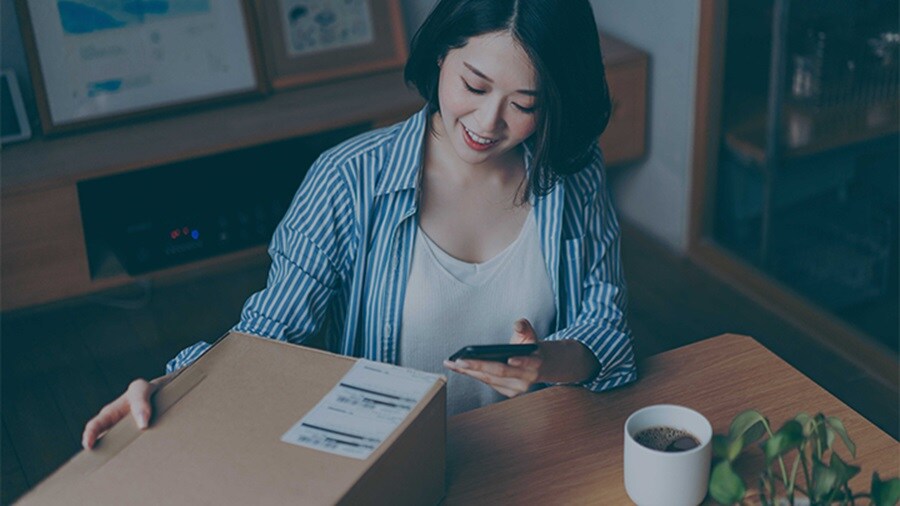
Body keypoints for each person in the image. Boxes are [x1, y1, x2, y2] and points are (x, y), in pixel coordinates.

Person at [82, 0, 637, 449]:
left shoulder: (571, 172)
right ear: (443, 54)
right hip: (389, 465)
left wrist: (546, 362)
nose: (489, 123)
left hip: (535, 454)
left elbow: (605, 323)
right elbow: (271, 334)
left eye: (524, 103)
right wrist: (171, 388)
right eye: (474, 86)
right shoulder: (350, 180)